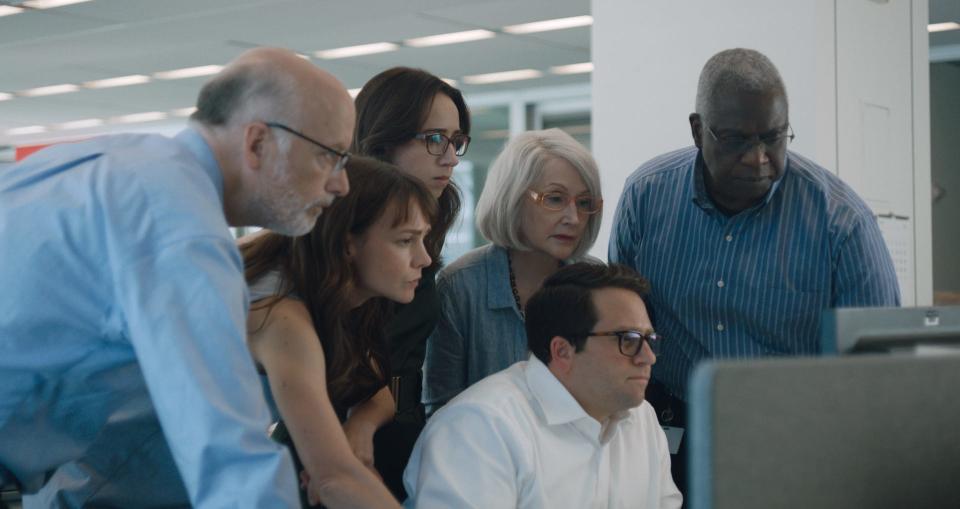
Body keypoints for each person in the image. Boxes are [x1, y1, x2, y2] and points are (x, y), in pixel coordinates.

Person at [0, 47, 354, 507]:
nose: (341, 184)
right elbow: (228, 456)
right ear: (257, 143)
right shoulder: (183, 233)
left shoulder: (105, 160)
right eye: (332, 156)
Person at [608, 47, 900, 493]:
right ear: (697, 130)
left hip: (798, 440)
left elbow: (879, 374)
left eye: (774, 137)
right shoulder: (646, 199)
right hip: (670, 434)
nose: (758, 157)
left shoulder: (842, 223)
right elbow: (622, 332)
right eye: (737, 139)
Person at [240, 157, 435, 509]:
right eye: (406, 240)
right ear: (348, 244)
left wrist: (360, 427)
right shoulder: (281, 316)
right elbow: (333, 479)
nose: (424, 259)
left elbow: (375, 379)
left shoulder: (333, 290)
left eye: (423, 239)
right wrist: (344, 468)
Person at [403, 263, 682, 509]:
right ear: (562, 351)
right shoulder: (479, 427)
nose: (648, 357)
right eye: (629, 340)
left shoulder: (641, 417)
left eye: (650, 339)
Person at [351, 66, 471, 497]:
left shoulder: (430, 225)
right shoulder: (341, 231)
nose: (451, 157)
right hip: (339, 437)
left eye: (456, 141)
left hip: (401, 435)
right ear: (382, 141)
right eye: (434, 139)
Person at [423, 128, 603, 413]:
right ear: (513, 198)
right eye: (555, 199)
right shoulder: (461, 285)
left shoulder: (597, 283)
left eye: (584, 203)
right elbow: (441, 409)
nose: (574, 218)